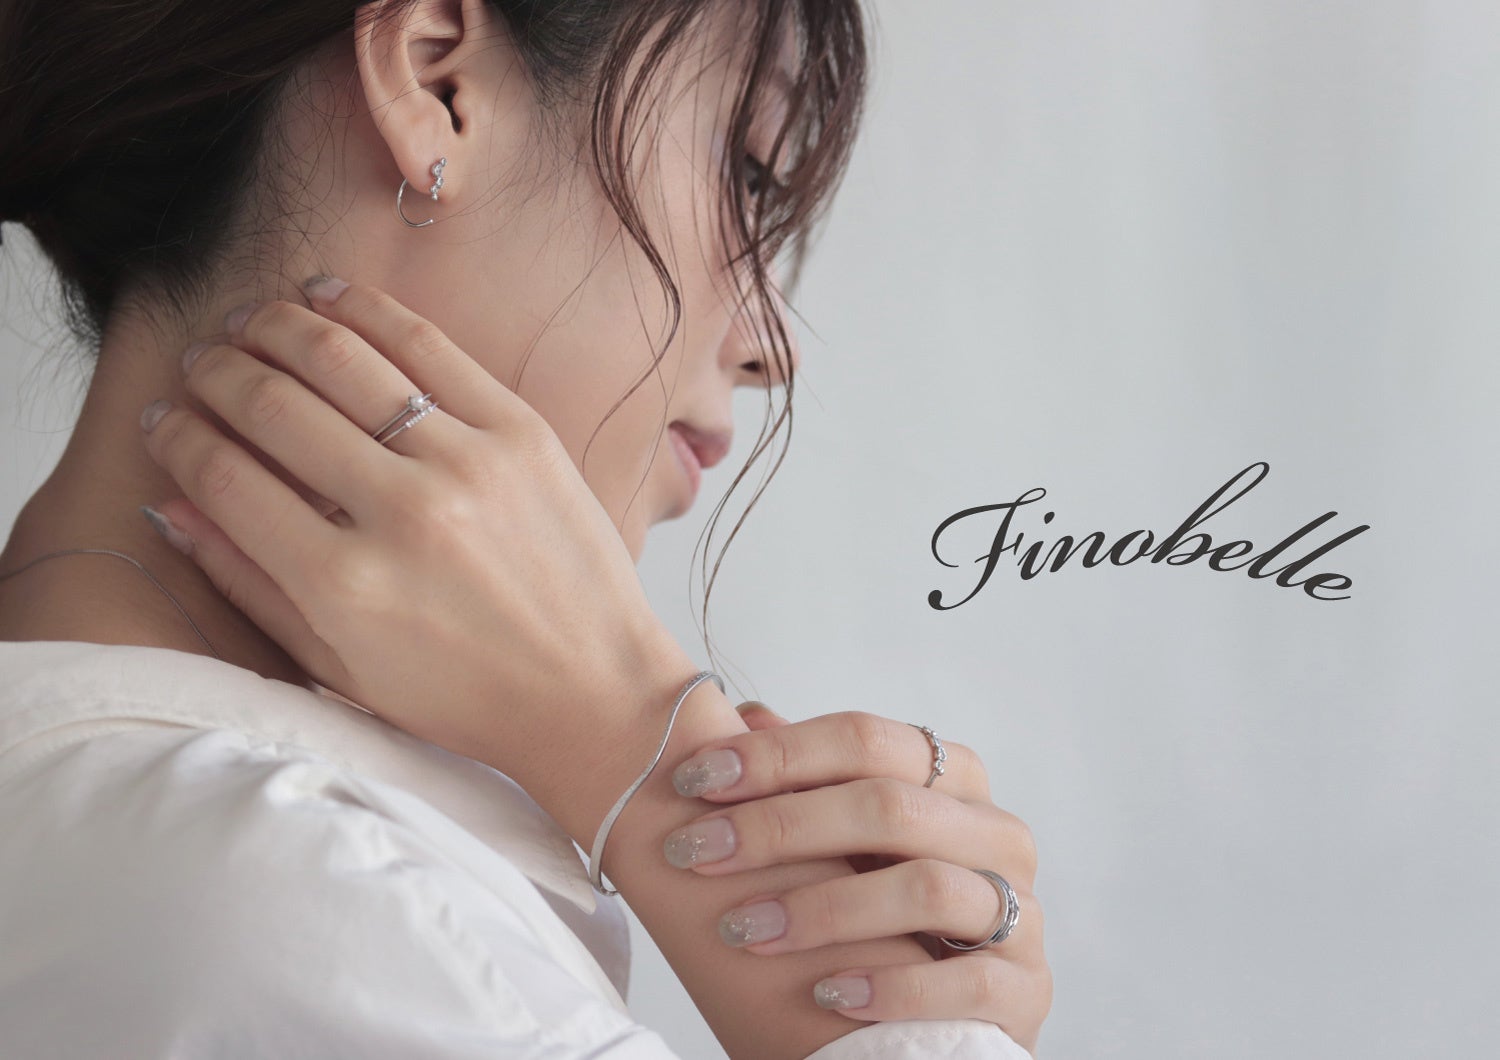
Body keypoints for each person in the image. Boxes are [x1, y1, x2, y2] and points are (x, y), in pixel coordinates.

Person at [0, 0, 1052, 1056]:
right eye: (748, 176)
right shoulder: (298, 904)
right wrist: (639, 741)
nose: (771, 349)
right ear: (438, 81)